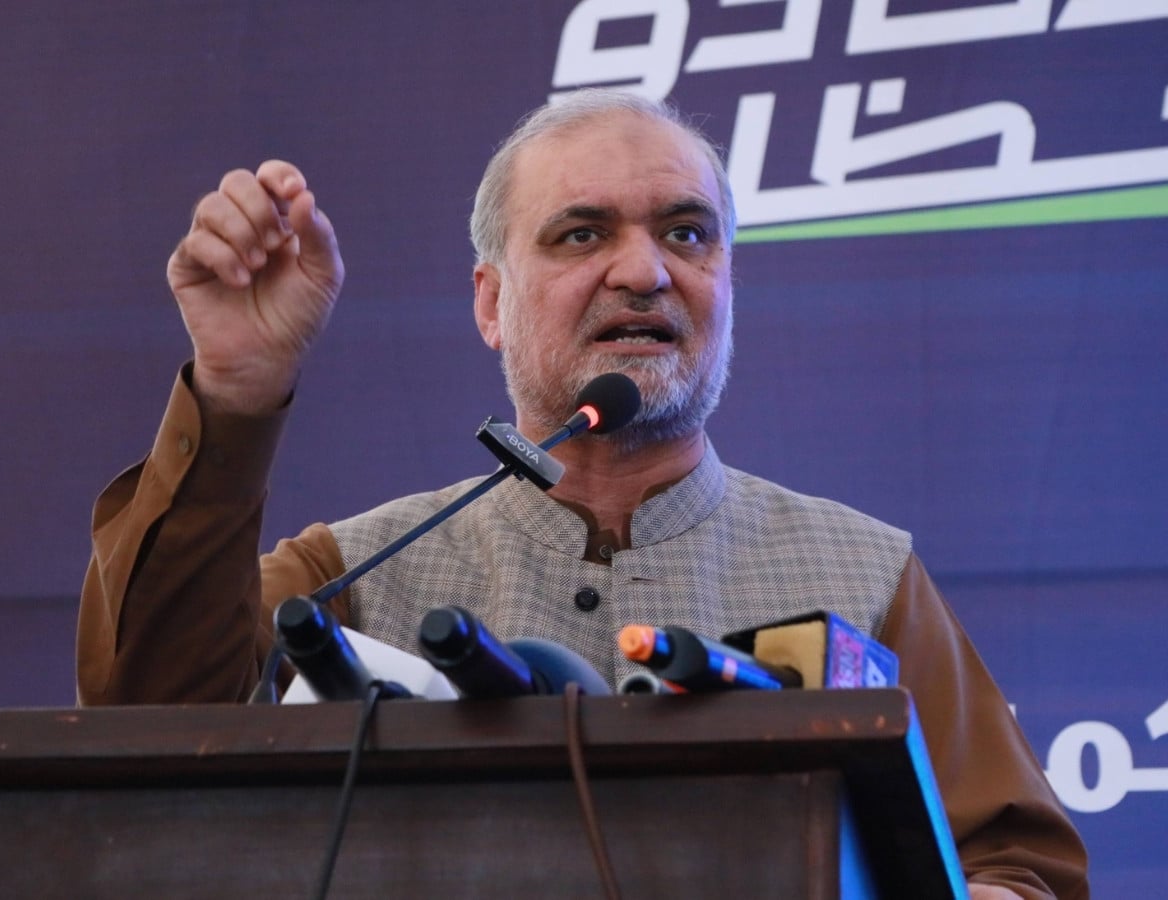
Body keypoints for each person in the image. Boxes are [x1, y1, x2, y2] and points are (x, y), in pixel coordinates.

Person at [77, 89, 1088, 898]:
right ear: (490, 302)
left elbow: (1017, 867)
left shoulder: (865, 575)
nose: (644, 271)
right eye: (580, 235)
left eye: (686, 233)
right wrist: (236, 392)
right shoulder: (353, 575)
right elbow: (147, 735)